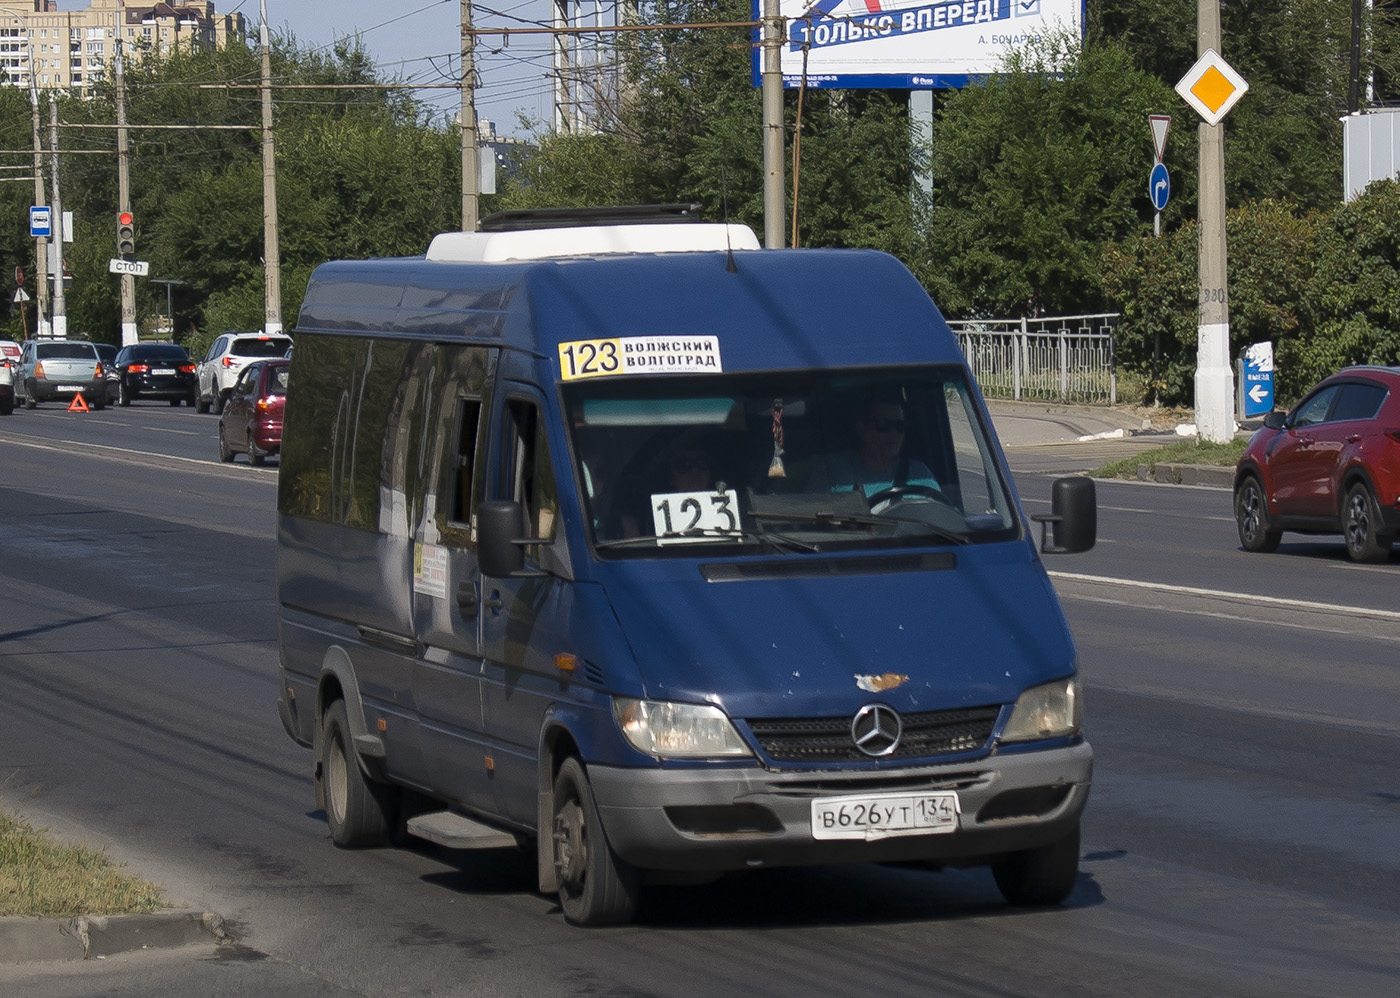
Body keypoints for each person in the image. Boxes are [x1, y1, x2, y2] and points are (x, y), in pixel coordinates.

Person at [811, 393, 939, 499]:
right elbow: (810, 518)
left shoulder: (920, 474)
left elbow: (946, 519)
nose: (893, 433)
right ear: (861, 428)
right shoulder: (832, 472)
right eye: (883, 425)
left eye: (900, 426)